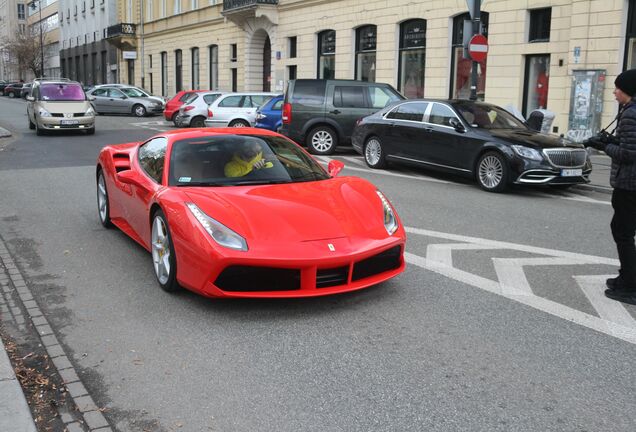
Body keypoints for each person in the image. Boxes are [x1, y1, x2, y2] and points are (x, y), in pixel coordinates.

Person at [587, 69, 636, 305]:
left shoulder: (631, 115)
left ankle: (630, 286)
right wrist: (611, 141)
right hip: (630, 183)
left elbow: (629, 154)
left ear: (629, 91)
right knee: (623, 231)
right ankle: (626, 277)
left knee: (623, 233)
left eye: (618, 88)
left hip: (629, 184)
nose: (614, 92)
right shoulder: (630, 111)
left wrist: (603, 146)